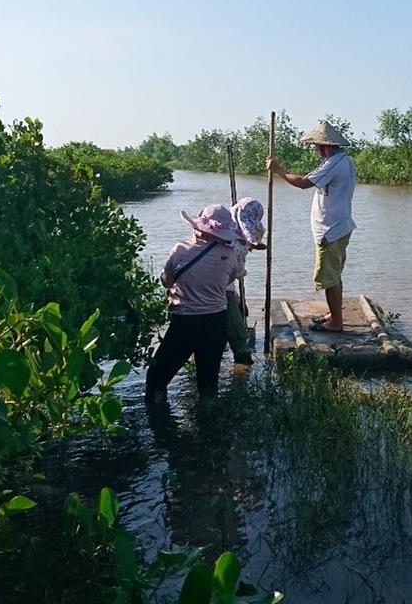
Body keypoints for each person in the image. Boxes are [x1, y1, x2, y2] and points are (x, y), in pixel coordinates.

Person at [145, 204, 242, 403]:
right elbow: (229, 280)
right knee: (208, 384)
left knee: (157, 376)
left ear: (199, 228)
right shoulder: (230, 255)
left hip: (184, 322)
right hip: (216, 323)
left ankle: (158, 424)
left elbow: (167, 282)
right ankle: (209, 426)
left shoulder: (180, 249)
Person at [266, 120, 356, 333]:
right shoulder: (343, 160)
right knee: (334, 274)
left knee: (328, 278)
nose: (316, 151)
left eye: (317, 147)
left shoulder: (334, 163)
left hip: (331, 229)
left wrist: (279, 170)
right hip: (339, 226)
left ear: (325, 146)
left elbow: (304, 183)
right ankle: (334, 315)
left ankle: (336, 323)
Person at [224, 197, 265, 364]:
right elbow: (235, 273)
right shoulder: (238, 244)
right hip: (220, 289)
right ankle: (242, 370)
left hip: (197, 289)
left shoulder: (223, 228)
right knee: (239, 337)